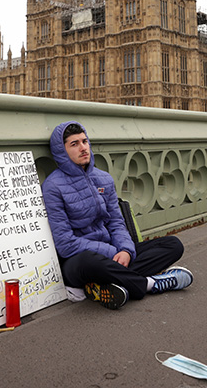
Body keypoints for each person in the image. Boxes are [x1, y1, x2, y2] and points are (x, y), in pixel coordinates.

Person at [41, 121, 193, 310]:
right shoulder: (53, 187)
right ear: (61, 151)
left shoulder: (104, 179)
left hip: (113, 254)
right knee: (91, 263)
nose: (83, 148)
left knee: (173, 245)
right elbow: (65, 244)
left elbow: (116, 223)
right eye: (74, 144)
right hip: (80, 261)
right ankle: (149, 284)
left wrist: (125, 251)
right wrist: (111, 252)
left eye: (84, 141)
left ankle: (105, 284)